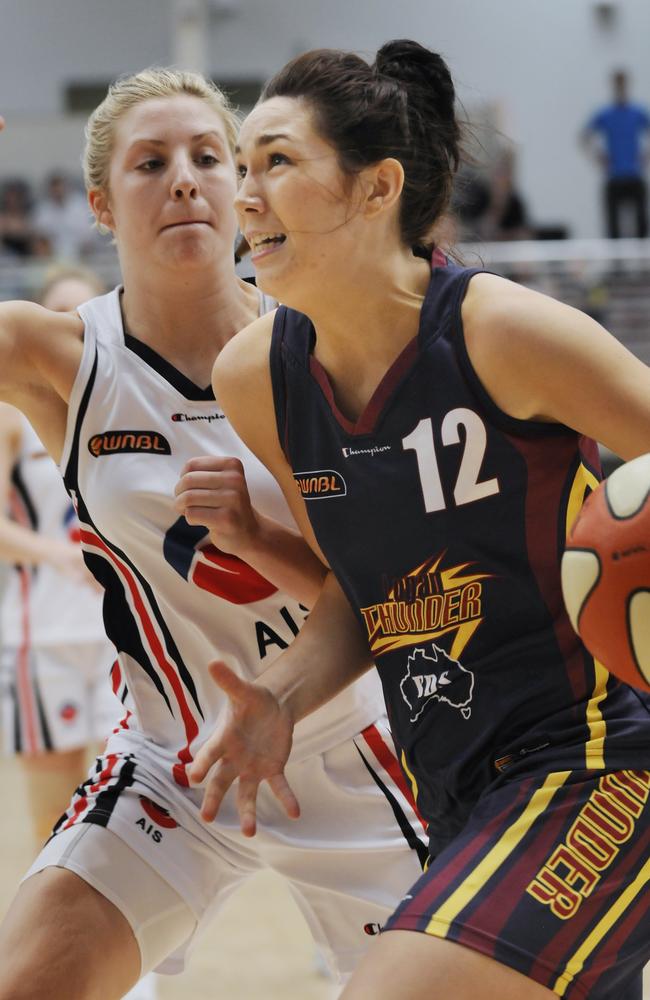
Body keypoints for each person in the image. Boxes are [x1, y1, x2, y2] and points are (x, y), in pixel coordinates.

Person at [195, 41, 650, 1000]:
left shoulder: (498, 331)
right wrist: (279, 694)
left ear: (377, 188)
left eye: (276, 160)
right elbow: (359, 599)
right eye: (243, 168)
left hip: (598, 759)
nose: (245, 193)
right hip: (452, 789)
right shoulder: (255, 380)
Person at [0, 68, 425, 1000]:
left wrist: (259, 535)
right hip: (169, 760)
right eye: (150, 163)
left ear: (241, 190)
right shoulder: (56, 356)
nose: (185, 179)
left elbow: (392, 595)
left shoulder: (323, 343)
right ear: (100, 205)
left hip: (350, 747)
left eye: (207, 157)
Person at [0, 265, 120, 848]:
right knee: (55, 824)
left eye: (83, 316)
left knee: (130, 814)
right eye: (58, 314)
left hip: (123, 633)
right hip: (43, 633)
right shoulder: (10, 416)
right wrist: (59, 555)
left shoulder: (125, 404)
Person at [582, 70, 650, 238]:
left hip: (634, 175)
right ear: (613, 86)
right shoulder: (605, 114)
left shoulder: (637, 112)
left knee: (641, 225)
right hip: (614, 176)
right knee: (613, 229)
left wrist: (646, 156)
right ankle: (616, 263)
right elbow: (584, 136)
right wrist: (598, 157)